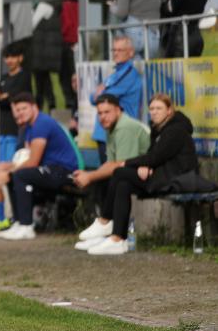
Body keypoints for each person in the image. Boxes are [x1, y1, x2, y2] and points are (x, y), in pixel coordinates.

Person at [83, 94, 198, 255]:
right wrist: (144, 165)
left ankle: (105, 220)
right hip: (161, 175)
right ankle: (118, 239)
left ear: (169, 111)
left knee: (119, 172)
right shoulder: (158, 129)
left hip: (177, 179)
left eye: (159, 108)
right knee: (123, 184)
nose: (154, 112)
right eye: (151, 108)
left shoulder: (176, 130)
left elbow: (157, 156)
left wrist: (128, 163)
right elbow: (154, 155)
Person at [0, 92, 81, 241]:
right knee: (13, 175)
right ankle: (19, 222)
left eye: (24, 108)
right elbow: (27, 157)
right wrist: (7, 167)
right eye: (18, 110)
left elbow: (32, 162)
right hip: (49, 169)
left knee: (19, 175)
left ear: (35, 107)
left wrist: (10, 172)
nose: (21, 112)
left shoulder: (42, 123)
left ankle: (27, 226)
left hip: (64, 171)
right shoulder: (29, 127)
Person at [71, 94, 150, 249]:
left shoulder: (125, 127)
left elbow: (121, 164)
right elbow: (111, 163)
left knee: (116, 177)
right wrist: (88, 175)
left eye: (107, 112)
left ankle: (105, 222)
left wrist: (90, 176)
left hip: (150, 174)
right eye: (100, 113)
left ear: (118, 110)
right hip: (131, 174)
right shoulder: (111, 128)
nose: (103, 117)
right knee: (107, 179)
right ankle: (106, 234)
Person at [0, 42, 33, 232]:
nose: (9, 60)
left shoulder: (24, 76)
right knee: (0, 175)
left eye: (13, 56)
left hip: (15, 133)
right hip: (2, 133)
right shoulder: (3, 78)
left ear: (20, 58)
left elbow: (16, 98)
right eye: (7, 57)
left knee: (11, 174)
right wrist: (1, 96)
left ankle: (18, 218)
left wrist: (3, 96)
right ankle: (1, 217)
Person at [90, 36, 143, 164]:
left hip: (118, 133)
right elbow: (93, 98)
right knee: (109, 177)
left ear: (130, 53)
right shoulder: (116, 74)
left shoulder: (129, 73)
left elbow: (103, 97)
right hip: (105, 132)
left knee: (115, 176)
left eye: (120, 50)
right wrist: (99, 93)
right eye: (114, 50)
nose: (116, 53)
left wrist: (100, 91)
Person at [28, 0, 65, 111]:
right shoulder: (57, 3)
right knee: (46, 83)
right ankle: (50, 109)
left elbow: (31, 24)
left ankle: (41, 110)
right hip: (47, 52)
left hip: (40, 52)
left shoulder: (43, 4)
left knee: (40, 85)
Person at [58, 0, 79, 113]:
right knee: (65, 79)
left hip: (75, 43)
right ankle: (70, 107)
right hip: (64, 42)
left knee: (75, 79)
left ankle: (75, 108)